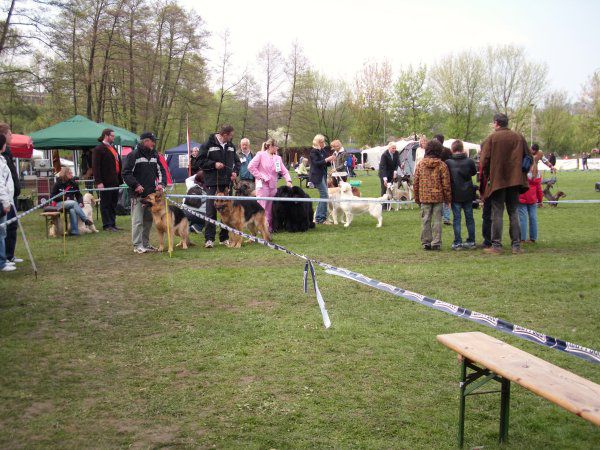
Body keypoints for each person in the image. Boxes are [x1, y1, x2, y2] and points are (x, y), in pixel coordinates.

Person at [480, 113, 530, 255]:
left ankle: (497, 246)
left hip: (497, 181)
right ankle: (516, 246)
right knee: (513, 212)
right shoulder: (518, 137)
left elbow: (484, 161)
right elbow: (528, 157)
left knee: (497, 212)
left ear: (496, 123)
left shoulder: (492, 138)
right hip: (515, 180)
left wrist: (488, 175)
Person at [122, 132, 167, 254]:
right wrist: (136, 185)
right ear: (146, 141)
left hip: (150, 195)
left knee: (148, 221)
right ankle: (137, 245)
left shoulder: (154, 155)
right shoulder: (133, 155)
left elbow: (161, 171)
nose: (154, 143)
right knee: (137, 221)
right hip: (137, 195)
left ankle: (145, 243)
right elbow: (126, 173)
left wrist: (161, 184)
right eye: (153, 141)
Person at [198, 124, 241, 248]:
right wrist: (213, 164)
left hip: (227, 183)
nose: (232, 137)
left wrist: (235, 172)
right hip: (212, 182)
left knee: (228, 211)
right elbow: (200, 161)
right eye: (231, 135)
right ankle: (209, 239)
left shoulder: (230, 146)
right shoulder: (208, 145)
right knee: (211, 211)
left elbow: (237, 162)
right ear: (225, 135)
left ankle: (224, 237)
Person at [413, 139, 451, 250]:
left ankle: (426, 242)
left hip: (424, 197)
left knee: (425, 220)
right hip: (438, 197)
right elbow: (446, 184)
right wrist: (448, 199)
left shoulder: (420, 165)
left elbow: (415, 182)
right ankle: (436, 242)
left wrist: (417, 198)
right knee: (437, 220)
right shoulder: (442, 165)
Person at [248, 138, 292, 231]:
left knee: (270, 208)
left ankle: (268, 227)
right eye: (276, 146)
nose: (277, 148)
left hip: (273, 186)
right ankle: (260, 227)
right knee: (261, 206)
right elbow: (251, 166)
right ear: (270, 146)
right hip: (262, 185)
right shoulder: (260, 155)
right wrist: (260, 176)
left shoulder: (278, 158)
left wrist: (289, 180)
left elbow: (284, 171)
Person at [445, 140, 477, 250]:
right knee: (469, 218)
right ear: (462, 149)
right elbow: (473, 173)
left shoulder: (448, 162)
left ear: (452, 149)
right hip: (468, 192)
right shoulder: (469, 161)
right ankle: (471, 241)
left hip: (455, 193)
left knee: (457, 219)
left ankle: (457, 242)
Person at [92, 128, 123, 232]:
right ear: (106, 135)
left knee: (113, 203)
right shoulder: (99, 149)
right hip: (105, 182)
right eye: (112, 136)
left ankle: (113, 224)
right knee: (106, 203)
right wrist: (99, 182)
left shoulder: (113, 148)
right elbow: (96, 167)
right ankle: (107, 225)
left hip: (115, 181)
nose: (113, 138)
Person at [0, 123, 22, 265]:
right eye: (9, 134)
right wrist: (6, 199)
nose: (11, 136)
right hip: (5, 197)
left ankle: (10, 254)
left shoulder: (8, 152)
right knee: (5, 227)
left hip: (12, 194)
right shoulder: (3, 154)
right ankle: (5, 257)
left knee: (12, 225)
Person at [50, 167, 94, 236]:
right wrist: (62, 198)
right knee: (73, 203)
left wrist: (80, 202)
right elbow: (52, 196)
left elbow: (79, 195)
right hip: (59, 204)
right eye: (70, 173)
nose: (72, 174)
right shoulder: (57, 184)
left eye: (71, 173)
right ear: (65, 174)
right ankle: (85, 220)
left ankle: (74, 232)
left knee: (73, 210)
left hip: (71, 204)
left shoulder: (73, 183)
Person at [309, 134, 335, 224]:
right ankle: (320, 218)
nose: (323, 143)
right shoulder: (313, 152)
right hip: (317, 176)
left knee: (324, 195)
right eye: (322, 142)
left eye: (323, 141)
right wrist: (327, 160)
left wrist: (331, 160)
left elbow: (325, 163)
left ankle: (320, 217)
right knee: (324, 195)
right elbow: (316, 163)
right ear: (317, 142)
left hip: (323, 175)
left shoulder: (323, 151)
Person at [0, 134, 16, 272]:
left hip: (7, 199)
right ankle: (2, 261)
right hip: (2, 201)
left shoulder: (3, 159)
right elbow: (0, 185)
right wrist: (6, 202)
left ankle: (4, 258)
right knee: (1, 231)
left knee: (3, 231)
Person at [518, 166, 543, 244]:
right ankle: (533, 238)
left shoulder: (521, 173)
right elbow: (539, 189)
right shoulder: (537, 176)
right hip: (532, 199)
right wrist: (540, 200)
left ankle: (522, 238)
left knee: (523, 219)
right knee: (533, 218)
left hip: (522, 197)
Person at [433, 134, 452, 225]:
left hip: (440, 176)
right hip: (444, 176)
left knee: (444, 197)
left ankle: (444, 217)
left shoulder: (433, 151)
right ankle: (444, 217)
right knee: (445, 196)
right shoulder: (447, 151)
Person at [183, 170, 207, 235]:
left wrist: (198, 174)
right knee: (210, 216)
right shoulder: (207, 190)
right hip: (199, 215)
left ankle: (188, 227)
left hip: (185, 211)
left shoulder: (190, 183)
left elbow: (188, 179)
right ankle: (197, 227)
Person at [378, 142, 400, 211]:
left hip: (391, 174)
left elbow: (397, 163)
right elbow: (383, 167)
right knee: (384, 190)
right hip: (384, 174)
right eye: (393, 148)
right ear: (389, 148)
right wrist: (385, 179)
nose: (394, 149)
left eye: (395, 148)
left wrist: (395, 172)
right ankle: (383, 206)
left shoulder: (396, 153)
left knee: (390, 190)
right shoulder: (384, 155)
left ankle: (389, 206)